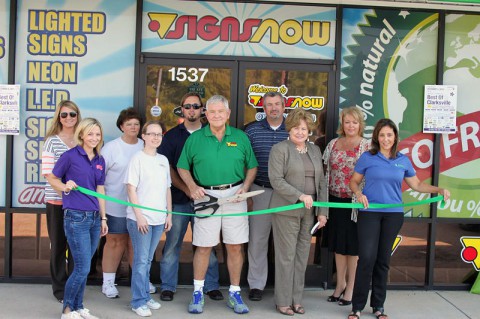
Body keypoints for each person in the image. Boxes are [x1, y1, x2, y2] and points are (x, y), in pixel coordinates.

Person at [348, 118, 450, 319]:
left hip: (393, 215)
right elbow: (354, 181)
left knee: (383, 260)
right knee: (367, 258)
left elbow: (417, 185)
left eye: (389, 135)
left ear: (395, 137)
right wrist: (359, 194)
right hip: (369, 213)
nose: (386, 139)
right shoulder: (368, 157)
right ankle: (357, 307)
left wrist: (439, 189)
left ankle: (378, 306)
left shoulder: (403, 160)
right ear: (377, 137)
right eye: (382, 135)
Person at [177, 95, 258, 314]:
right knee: (203, 246)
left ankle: (234, 292)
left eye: (220, 111)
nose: (216, 115)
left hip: (235, 195)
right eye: (212, 112)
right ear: (206, 114)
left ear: (228, 114)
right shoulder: (195, 138)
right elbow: (182, 167)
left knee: (234, 245)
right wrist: (192, 187)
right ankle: (197, 292)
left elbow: (252, 166)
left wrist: (246, 187)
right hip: (206, 197)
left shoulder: (240, 137)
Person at [158, 92, 223, 302]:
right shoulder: (172, 136)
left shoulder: (211, 133)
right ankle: (168, 286)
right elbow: (167, 167)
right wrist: (187, 189)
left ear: (203, 109)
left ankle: (211, 285)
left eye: (196, 106)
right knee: (172, 245)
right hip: (178, 199)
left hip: (206, 201)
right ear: (182, 109)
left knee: (207, 245)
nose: (192, 110)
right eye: (187, 106)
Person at [47, 118, 109, 319]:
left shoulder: (100, 159)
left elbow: (100, 189)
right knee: (82, 267)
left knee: (85, 266)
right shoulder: (70, 156)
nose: (94, 138)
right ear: (81, 134)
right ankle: (67, 310)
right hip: (75, 217)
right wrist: (65, 186)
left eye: (97, 134)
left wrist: (103, 218)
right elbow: (52, 178)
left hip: (93, 218)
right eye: (90, 134)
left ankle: (79, 306)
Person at [268, 108, 328, 316]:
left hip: (309, 214)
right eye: (296, 128)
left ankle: (297, 299)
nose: (300, 132)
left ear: (309, 130)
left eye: (304, 128)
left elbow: (322, 181)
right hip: (286, 211)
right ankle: (283, 301)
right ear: (289, 128)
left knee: (302, 256)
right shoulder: (280, 149)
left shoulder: (314, 150)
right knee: (286, 257)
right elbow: (276, 180)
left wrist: (323, 211)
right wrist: (300, 196)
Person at [323, 107, 370, 306]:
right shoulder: (333, 143)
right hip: (334, 201)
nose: (351, 126)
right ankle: (339, 284)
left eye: (355, 122)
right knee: (338, 246)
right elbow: (325, 170)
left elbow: (370, 174)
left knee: (353, 247)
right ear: (342, 123)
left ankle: (351, 287)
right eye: (347, 122)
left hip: (354, 204)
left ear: (360, 125)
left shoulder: (366, 146)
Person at [244, 91, 289, 301]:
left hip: (287, 195)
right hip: (259, 190)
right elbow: (243, 163)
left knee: (285, 243)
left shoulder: (293, 130)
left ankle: (284, 287)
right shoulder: (251, 131)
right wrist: (247, 192)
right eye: (269, 105)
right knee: (257, 240)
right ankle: (256, 285)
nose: (273, 108)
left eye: (277, 104)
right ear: (263, 108)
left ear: (284, 105)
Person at [125, 120, 173, 317]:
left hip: (158, 219)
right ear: (143, 136)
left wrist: (168, 214)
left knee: (147, 260)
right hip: (140, 220)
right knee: (141, 261)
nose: (155, 137)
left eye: (159, 134)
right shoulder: (137, 158)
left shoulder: (163, 160)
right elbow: (130, 188)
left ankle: (145, 296)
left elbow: (167, 189)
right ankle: (137, 301)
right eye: (151, 134)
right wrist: (139, 216)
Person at [100, 108, 145, 298]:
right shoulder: (110, 148)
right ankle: (108, 283)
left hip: (140, 207)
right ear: (121, 126)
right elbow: (99, 179)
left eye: (136, 124)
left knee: (137, 245)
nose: (133, 127)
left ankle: (140, 283)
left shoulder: (145, 144)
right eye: (129, 124)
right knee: (115, 242)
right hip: (115, 204)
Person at [42, 100, 82, 304]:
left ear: (78, 116)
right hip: (57, 201)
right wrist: (65, 188)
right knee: (58, 245)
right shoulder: (52, 141)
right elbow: (49, 175)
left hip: (79, 204)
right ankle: (59, 290)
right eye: (64, 115)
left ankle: (74, 288)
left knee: (77, 247)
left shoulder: (83, 139)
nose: (68, 118)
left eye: (72, 114)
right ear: (59, 117)